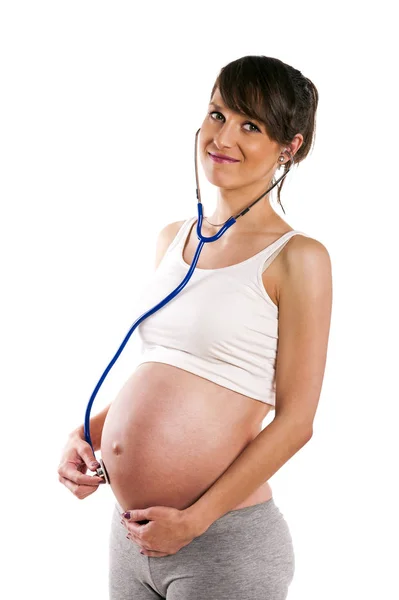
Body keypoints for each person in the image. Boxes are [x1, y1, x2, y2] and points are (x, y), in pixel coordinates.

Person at [58, 55, 332, 599]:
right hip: (132, 536)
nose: (223, 136)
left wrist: (197, 519)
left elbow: (297, 420)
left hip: (222, 542)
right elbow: (173, 369)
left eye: (251, 125)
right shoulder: (172, 238)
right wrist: (87, 435)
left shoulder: (298, 258)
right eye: (217, 114)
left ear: (290, 147)